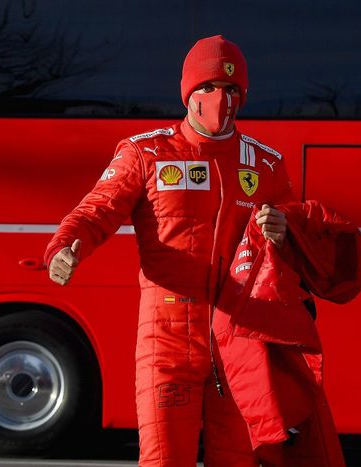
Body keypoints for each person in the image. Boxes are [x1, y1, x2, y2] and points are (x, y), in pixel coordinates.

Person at [45, 35, 299, 466]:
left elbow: (297, 246)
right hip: (167, 340)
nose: (221, 98)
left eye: (233, 90)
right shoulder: (146, 153)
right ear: (188, 91)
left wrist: (285, 229)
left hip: (240, 345)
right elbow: (95, 211)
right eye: (209, 86)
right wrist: (63, 250)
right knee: (164, 460)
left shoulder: (266, 164)